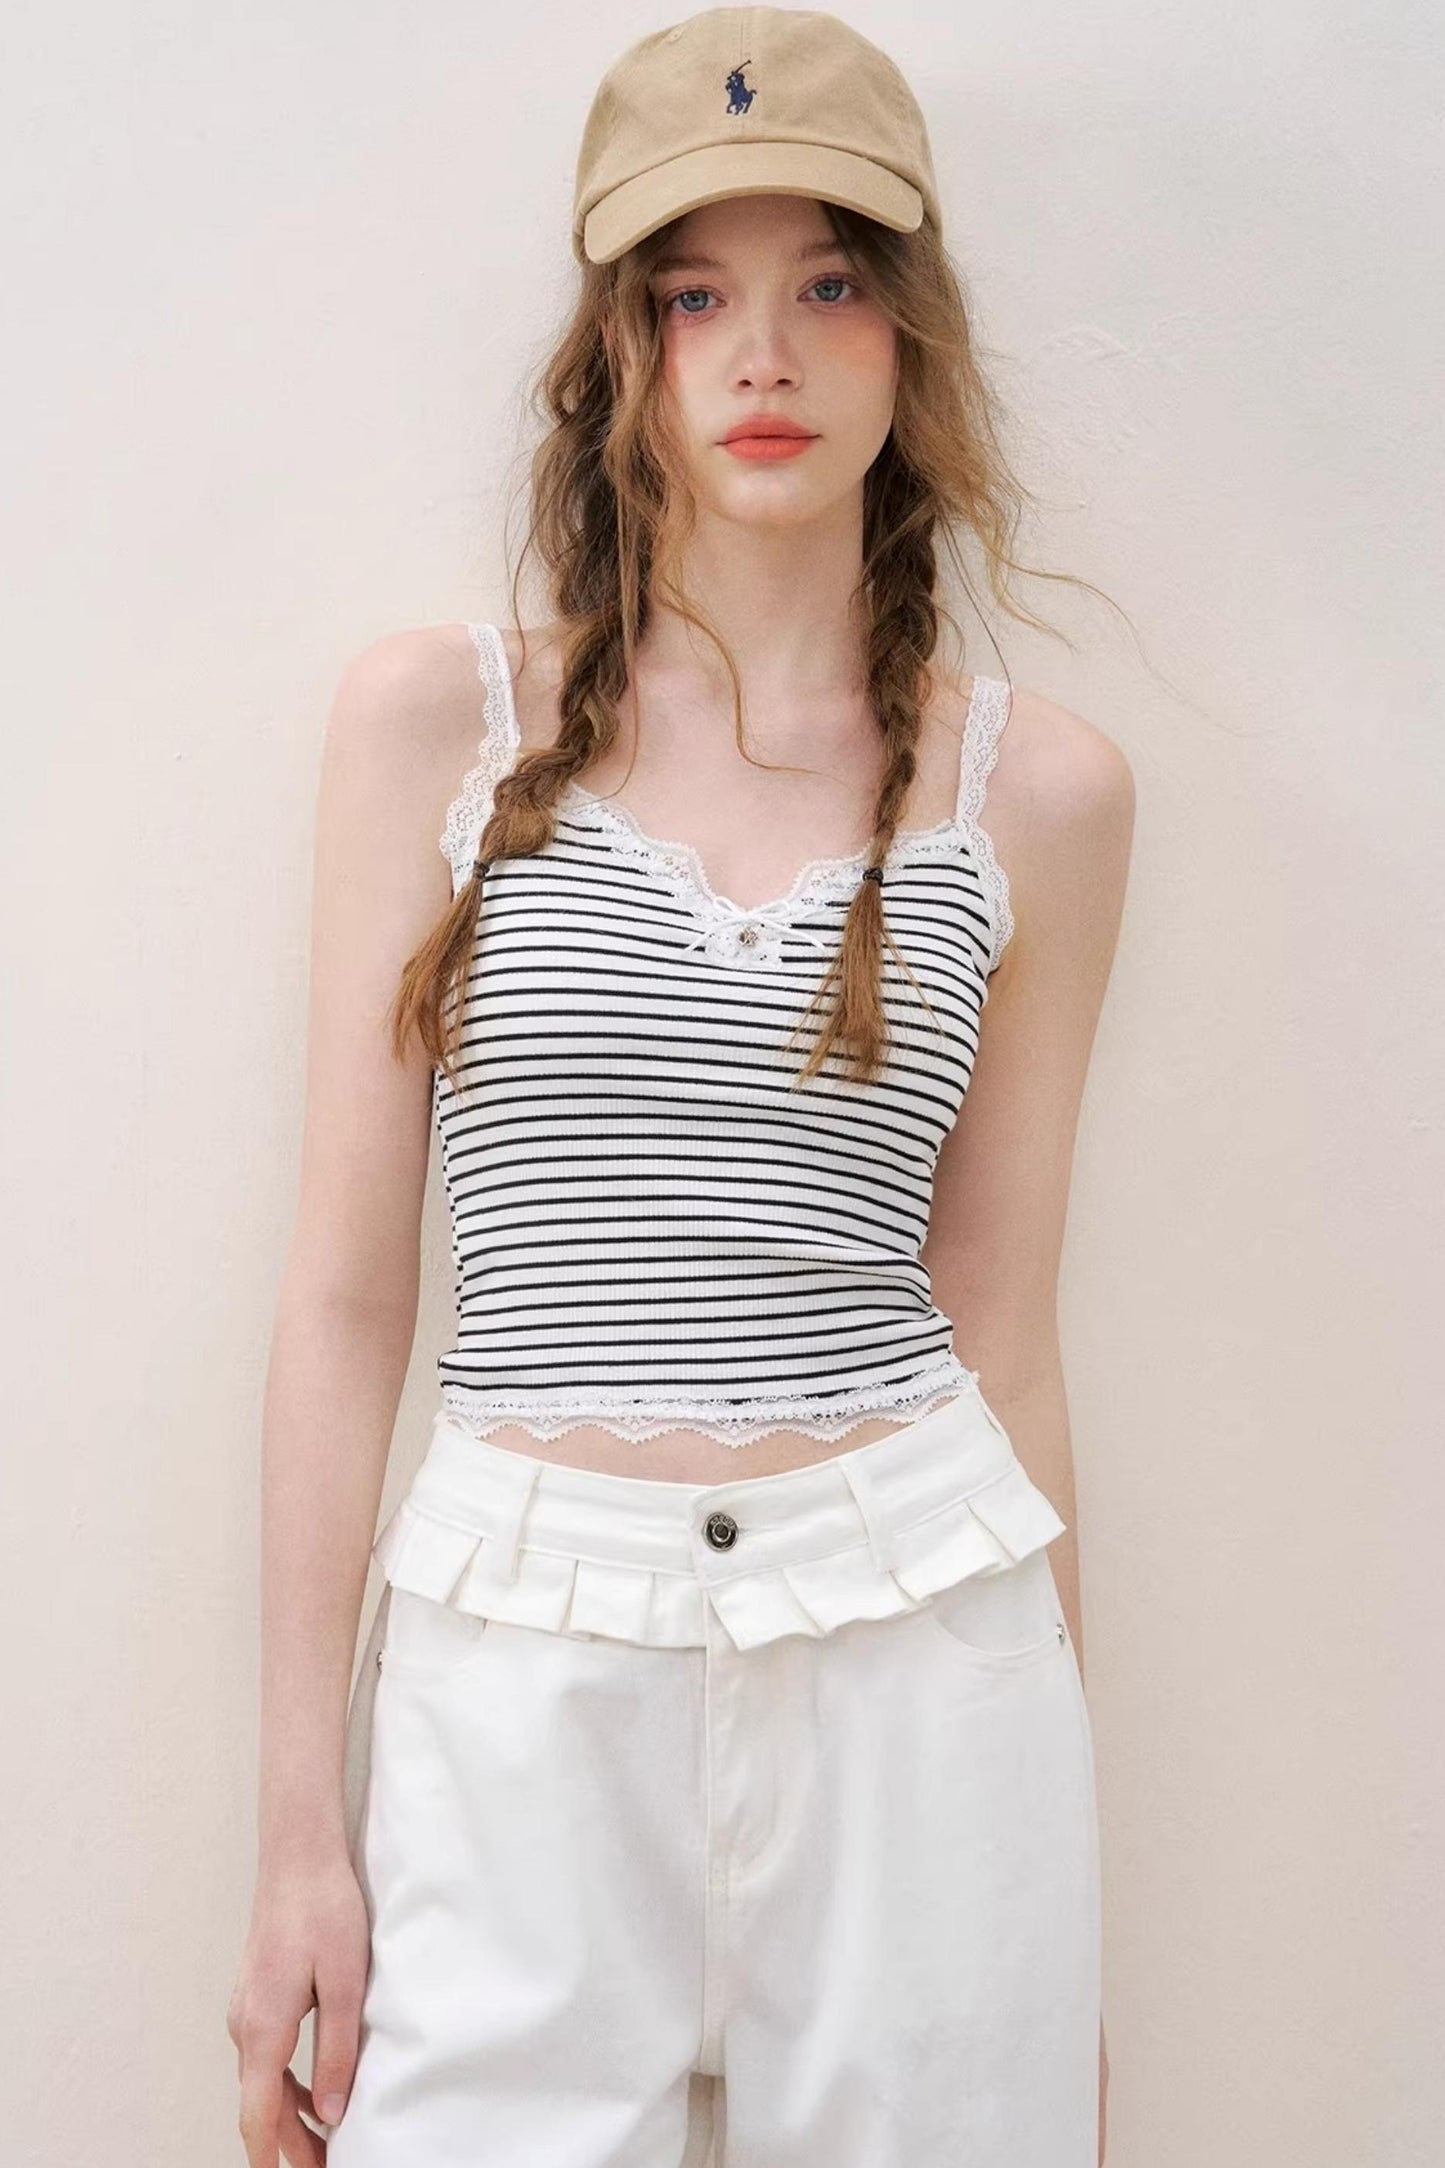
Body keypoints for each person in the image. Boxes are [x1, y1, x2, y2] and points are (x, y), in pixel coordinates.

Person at [228, 8, 1135, 2165]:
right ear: (616, 354)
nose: (765, 355)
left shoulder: (1040, 795)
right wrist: (296, 1840)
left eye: (827, 283)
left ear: (909, 336)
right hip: (515, 1664)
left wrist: (1063, 1920)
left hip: (922, 1661)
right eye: (694, 297)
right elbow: (347, 1301)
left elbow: (1003, 1328)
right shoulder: (433, 728)